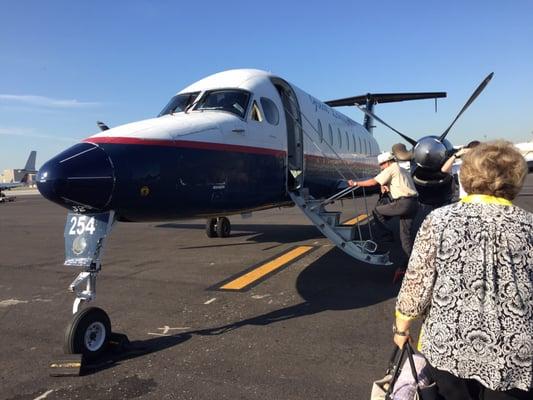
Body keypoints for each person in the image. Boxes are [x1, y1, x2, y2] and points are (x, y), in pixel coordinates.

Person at [392, 141, 532, 399]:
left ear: (466, 175)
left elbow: (417, 282)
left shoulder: (439, 220)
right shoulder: (528, 225)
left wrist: (402, 328)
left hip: (448, 346)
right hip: (513, 352)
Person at [348, 151, 419, 265]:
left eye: (381, 164)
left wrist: (356, 183)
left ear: (387, 162)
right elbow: (400, 184)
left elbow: (372, 182)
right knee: (405, 235)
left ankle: (386, 236)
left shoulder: (391, 169)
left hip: (403, 203)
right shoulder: (402, 169)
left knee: (376, 212)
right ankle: (411, 261)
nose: (381, 167)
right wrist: (388, 186)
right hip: (414, 203)